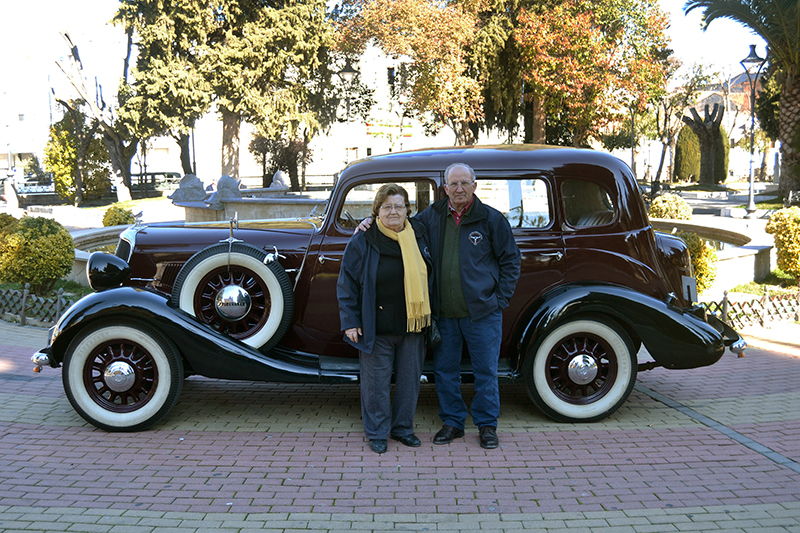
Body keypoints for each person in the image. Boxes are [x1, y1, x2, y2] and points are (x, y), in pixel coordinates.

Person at [356, 163, 521, 449]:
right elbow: (398, 222)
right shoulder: (431, 217)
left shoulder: (492, 219)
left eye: (464, 183)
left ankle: (486, 425)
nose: (458, 189)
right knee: (446, 372)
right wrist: (368, 222)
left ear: (474, 185)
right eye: (453, 184)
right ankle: (453, 422)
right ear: (445, 188)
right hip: (443, 313)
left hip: (482, 314)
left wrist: (498, 300)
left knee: (485, 372)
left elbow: (511, 261)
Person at [337, 183, 433, 454]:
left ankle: (403, 429)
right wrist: (350, 321)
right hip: (375, 325)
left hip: (413, 323)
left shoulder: (420, 236)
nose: (393, 211)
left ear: (408, 210)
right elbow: (347, 284)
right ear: (377, 210)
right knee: (376, 383)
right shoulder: (363, 240)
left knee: (409, 381)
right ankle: (377, 432)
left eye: (399, 206)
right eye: (387, 206)